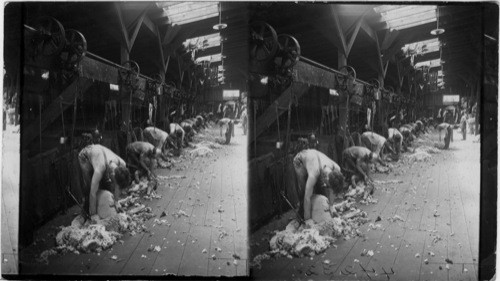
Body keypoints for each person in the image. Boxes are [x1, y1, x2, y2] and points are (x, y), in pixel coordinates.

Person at [78, 144, 131, 218]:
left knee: (105, 184)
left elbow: (118, 186)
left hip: (100, 153)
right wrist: (94, 216)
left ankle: (99, 205)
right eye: (115, 184)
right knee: (91, 188)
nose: (116, 187)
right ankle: (87, 212)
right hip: (85, 157)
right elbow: (92, 193)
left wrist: (116, 201)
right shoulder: (100, 169)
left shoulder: (122, 164)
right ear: (112, 175)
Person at [293, 149, 345, 221]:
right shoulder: (314, 174)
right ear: (326, 178)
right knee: (305, 192)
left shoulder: (336, 168)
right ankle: (301, 216)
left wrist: (331, 206)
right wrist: (308, 221)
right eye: (328, 185)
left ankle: (314, 210)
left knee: (320, 189)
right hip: (300, 161)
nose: (328, 187)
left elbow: (332, 189)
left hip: (314, 158)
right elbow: (307, 198)